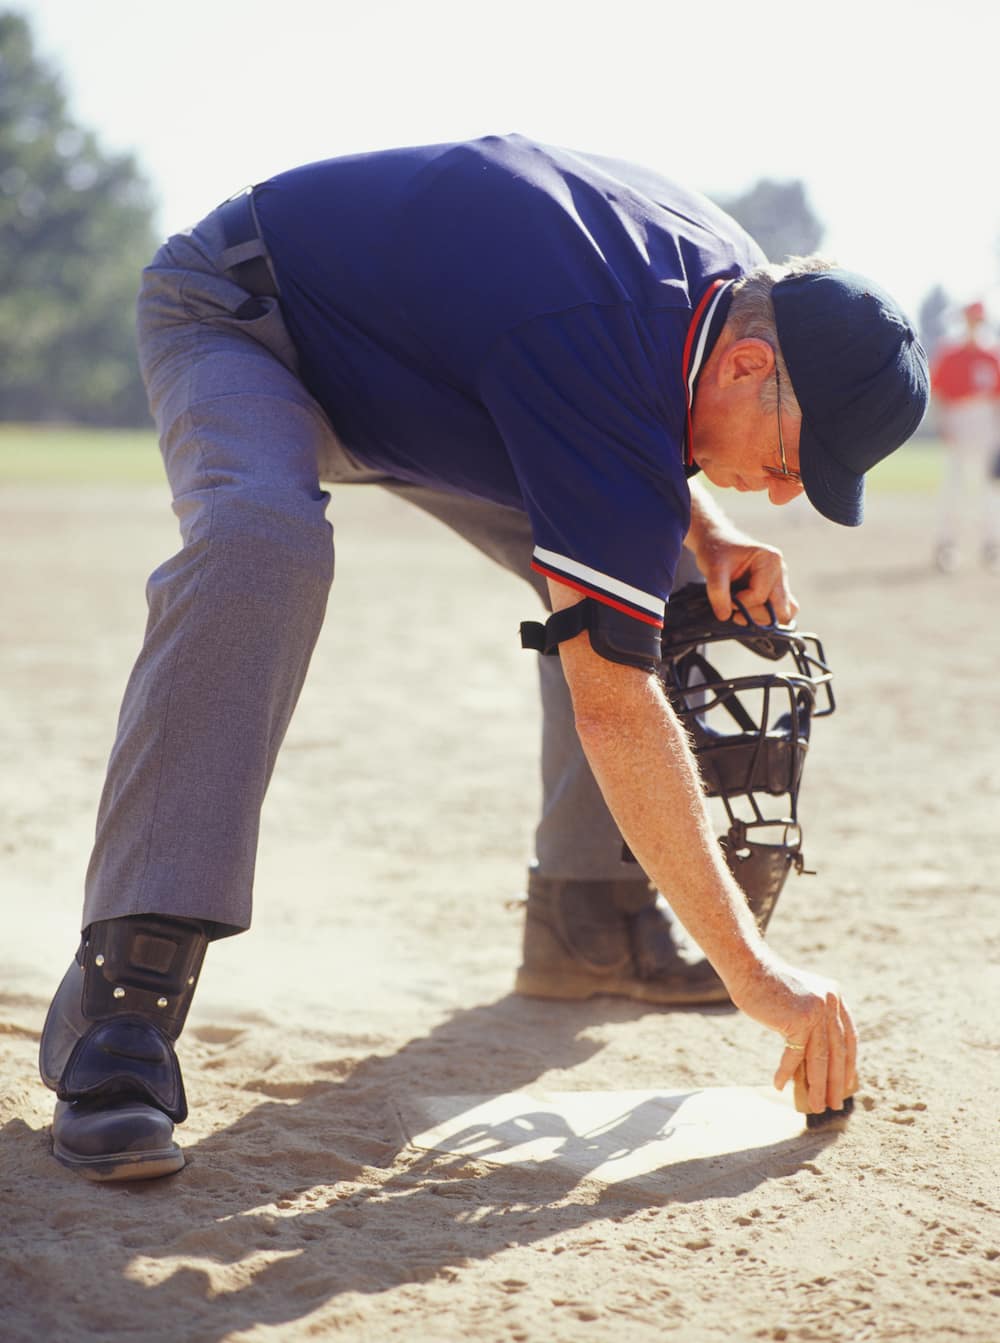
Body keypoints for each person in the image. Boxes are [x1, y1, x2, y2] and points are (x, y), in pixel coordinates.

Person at [38, 134, 929, 1182]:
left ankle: (590, 920)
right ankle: (121, 1005)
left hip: (444, 378)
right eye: (788, 464)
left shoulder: (725, 299)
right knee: (263, 541)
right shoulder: (593, 324)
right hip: (252, 322)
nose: (782, 494)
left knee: (679, 585)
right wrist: (755, 969)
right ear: (746, 364)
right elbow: (614, 697)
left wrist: (707, 528)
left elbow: (614, 398)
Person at [929, 300, 1000, 573]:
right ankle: (947, 545)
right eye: (971, 319)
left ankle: (991, 544)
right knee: (953, 486)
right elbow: (940, 395)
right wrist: (944, 425)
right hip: (959, 419)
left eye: (978, 320)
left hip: (986, 421)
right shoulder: (951, 353)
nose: (974, 325)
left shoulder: (991, 354)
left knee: (989, 489)